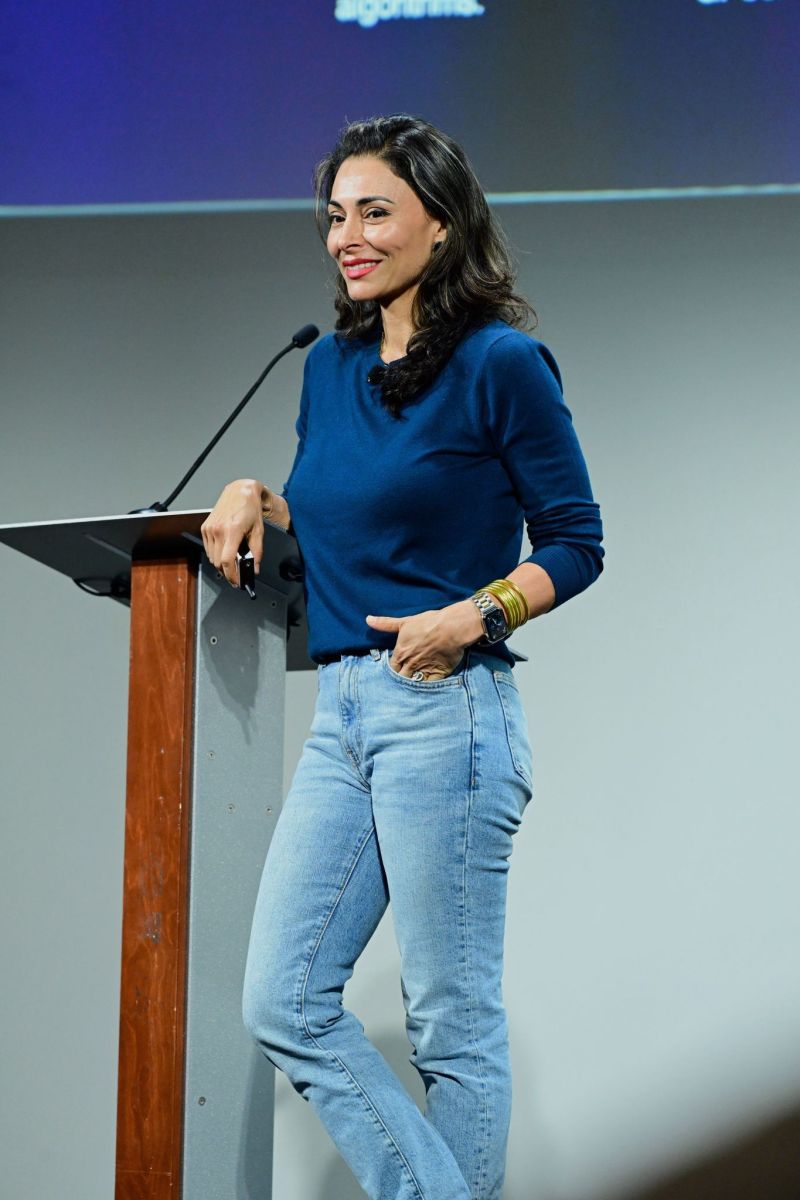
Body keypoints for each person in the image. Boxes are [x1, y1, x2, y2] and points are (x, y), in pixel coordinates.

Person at [201, 114, 604, 1200]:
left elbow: (576, 543)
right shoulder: (328, 367)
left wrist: (474, 615)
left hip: (446, 707)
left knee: (449, 1022)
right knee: (282, 999)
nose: (348, 236)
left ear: (442, 224)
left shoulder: (500, 364)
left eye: (375, 212)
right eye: (336, 216)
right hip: (340, 714)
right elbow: (336, 522)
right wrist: (250, 492)